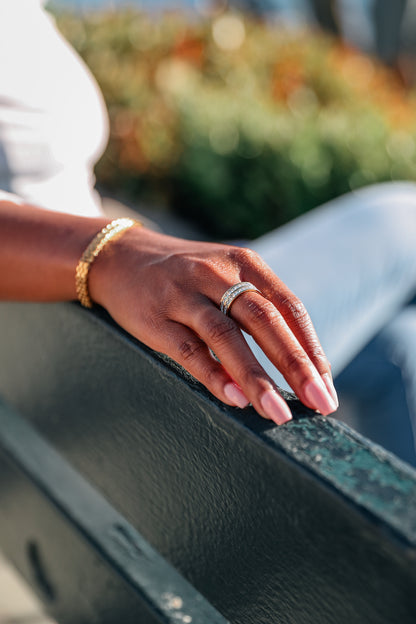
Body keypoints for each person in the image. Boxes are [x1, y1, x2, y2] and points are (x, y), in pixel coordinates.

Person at [1, 1, 416, 465]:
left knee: (402, 345)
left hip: (71, 343)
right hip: (85, 362)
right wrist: (113, 253)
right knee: (405, 218)